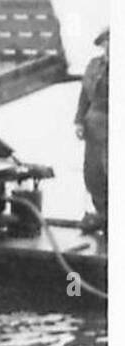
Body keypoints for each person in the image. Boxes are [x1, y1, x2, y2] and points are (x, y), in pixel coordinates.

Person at [75, 27, 109, 233]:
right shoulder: (94, 65)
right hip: (93, 126)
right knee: (93, 173)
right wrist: (79, 121)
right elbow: (84, 97)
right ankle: (102, 214)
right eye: (107, 42)